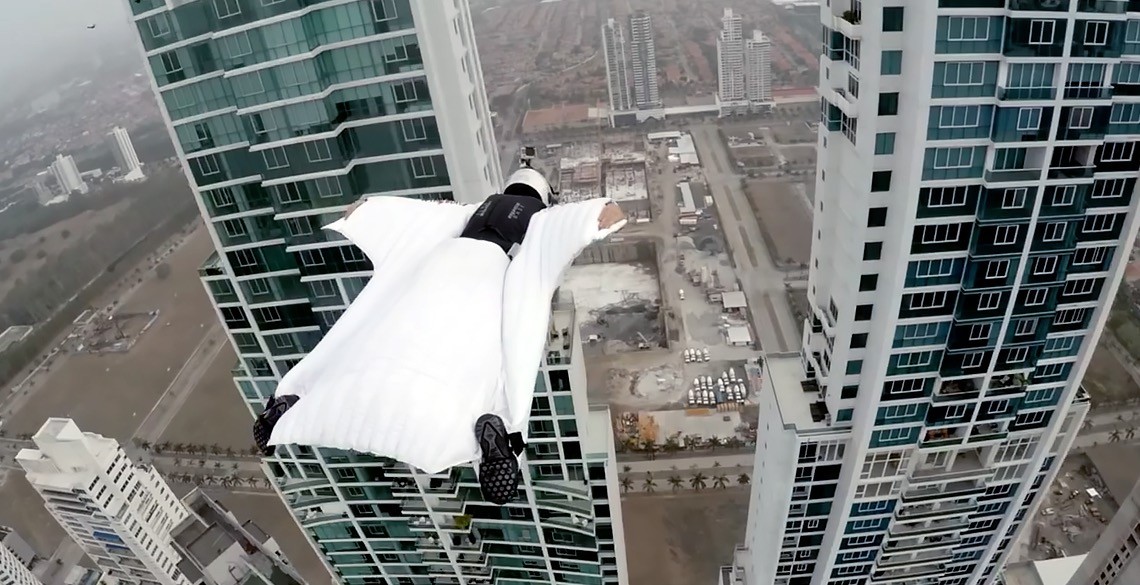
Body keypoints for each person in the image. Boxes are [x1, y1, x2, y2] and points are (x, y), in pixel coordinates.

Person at [253, 168, 626, 504]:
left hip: (436, 268)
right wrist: (598, 218)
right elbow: (563, 229)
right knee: (480, 358)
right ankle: (493, 440)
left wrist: (365, 211)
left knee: (378, 335)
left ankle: (290, 406)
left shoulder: (470, 210)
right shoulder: (539, 218)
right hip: (484, 279)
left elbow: (414, 216)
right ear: (541, 195)